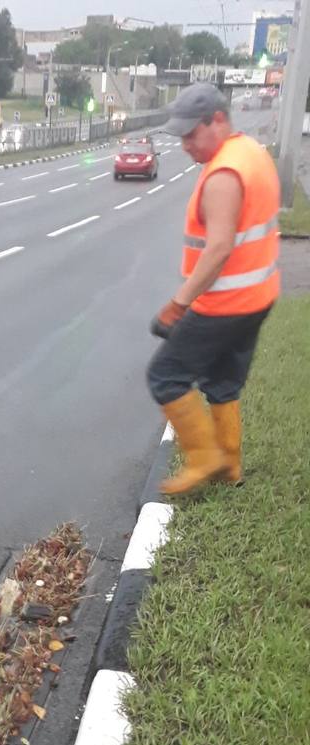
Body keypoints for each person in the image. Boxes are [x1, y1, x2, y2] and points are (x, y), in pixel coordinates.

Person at [147, 82, 280, 495]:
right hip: (258, 298)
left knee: (165, 376)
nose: (186, 144)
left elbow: (219, 248)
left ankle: (206, 459)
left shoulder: (224, 172)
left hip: (222, 304)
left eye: (191, 134)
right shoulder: (251, 153)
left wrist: (178, 303)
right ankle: (230, 468)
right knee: (223, 382)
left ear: (217, 120)